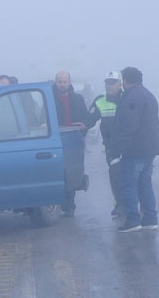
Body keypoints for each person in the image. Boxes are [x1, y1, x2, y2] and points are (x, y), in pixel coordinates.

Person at [108, 66, 159, 232]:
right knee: (145, 185)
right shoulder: (149, 95)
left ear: (125, 81)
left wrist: (118, 149)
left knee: (129, 185)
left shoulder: (131, 97)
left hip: (134, 151)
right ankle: (150, 219)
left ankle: (132, 220)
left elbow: (129, 127)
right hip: (149, 149)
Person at [86, 71, 124, 217]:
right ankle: (119, 205)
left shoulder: (128, 98)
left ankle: (133, 205)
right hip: (111, 146)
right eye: (107, 83)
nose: (109, 86)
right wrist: (80, 128)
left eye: (112, 83)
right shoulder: (100, 101)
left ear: (120, 84)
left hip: (129, 145)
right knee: (115, 175)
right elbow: (89, 120)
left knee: (132, 176)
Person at [52, 71, 89, 217]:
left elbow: (85, 119)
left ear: (69, 82)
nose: (62, 84)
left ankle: (70, 205)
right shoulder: (50, 99)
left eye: (64, 82)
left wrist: (82, 131)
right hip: (56, 140)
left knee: (72, 173)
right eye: (59, 82)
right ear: (56, 82)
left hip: (73, 140)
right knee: (58, 173)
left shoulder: (78, 99)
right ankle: (59, 203)